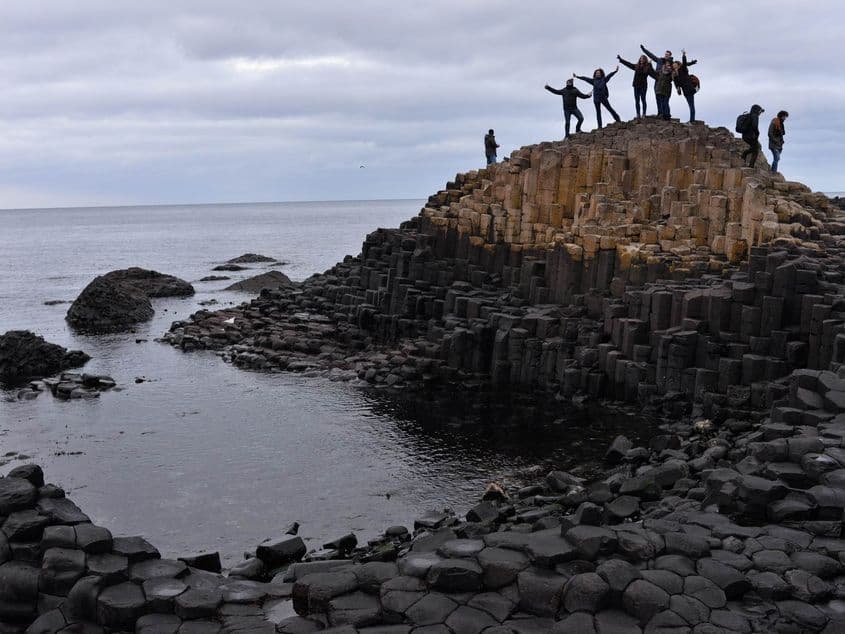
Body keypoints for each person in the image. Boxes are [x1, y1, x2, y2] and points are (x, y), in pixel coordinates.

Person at [617, 53, 655, 119]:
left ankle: (644, 114)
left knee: (643, 99)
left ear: (645, 60)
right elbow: (629, 64)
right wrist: (621, 60)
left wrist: (650, 64)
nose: (641, 60)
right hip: (636, 85)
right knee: (637, 100)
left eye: (643, 59)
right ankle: (638, 114)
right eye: (640, 58)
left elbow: (653, 73)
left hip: (643, 86)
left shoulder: (647, 67)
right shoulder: (636, 66)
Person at [672, 50, 698, 122]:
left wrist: (684, 55)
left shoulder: (683, 69)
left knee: (691, 105)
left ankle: (692, 120)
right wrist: (677, 89)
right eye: (673, 65)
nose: (674, 66)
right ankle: (692, 120)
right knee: (690, 105)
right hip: (685, 91)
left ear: (678, 65)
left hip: (689, 89)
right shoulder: (675, 75)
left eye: (675, 64)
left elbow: (684, 63)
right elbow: (677, 84)